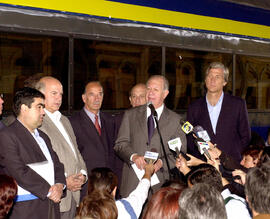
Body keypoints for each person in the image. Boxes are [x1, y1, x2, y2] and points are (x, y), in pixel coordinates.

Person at [114, 75, 187, 197]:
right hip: (133, 184)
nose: (150, 93)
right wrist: (134, 156)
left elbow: (179, 153)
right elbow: (120, 144)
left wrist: (160, 163)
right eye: (148, 89)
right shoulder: (130, 115)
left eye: (155, 89)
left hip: (160, 186)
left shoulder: (175, 121)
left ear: (165, 94)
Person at [0, 87, 66, 219]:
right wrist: (49, 191)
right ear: (24, 108)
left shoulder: (43, 136)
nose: (43, 112)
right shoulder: (6, 135)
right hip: (27, 210)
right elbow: (18, 171)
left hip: (51, 207)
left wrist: (59, 185)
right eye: (39, 107)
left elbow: (57, 165)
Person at [36, 76, 88, 219]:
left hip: (73, 197)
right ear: (40, 95)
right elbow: (41, 161)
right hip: (55, 197)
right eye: (54, 93)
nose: (59, 98)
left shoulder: (64, 120)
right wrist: (64, 182)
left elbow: (76, 151)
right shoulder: (37, 122)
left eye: (61, 94)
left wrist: (83, 174)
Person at [186, 62, 251, 162]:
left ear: (224, 82)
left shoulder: (238, 104)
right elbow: (190, 139)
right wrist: (202, 157)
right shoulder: (194, 107)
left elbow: (245, 136)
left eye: (217, 77)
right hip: (205, 165)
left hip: (231, 164)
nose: (212, 80)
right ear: (205, 79)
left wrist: (232, 156)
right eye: (210, 76)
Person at [69, 81, 115, 199]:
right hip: (87, 186)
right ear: (84, 98)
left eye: (100, 94)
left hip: (108, 186)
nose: (97, 98)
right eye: (92, 94)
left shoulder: (110, 120)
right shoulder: (73, 122)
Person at [77, 163, 155, 219]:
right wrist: (148, 172)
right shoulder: (124, 208)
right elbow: (142, 191)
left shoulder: (82, 211)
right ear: (114, 190)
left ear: (89, 188)